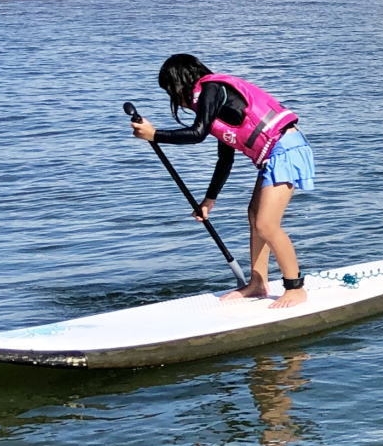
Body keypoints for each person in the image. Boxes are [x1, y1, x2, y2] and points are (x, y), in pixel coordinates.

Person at [132, 53, 315, 308]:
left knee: (266, 224)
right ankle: (257, 283)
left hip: (286, 150)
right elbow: (224, 160)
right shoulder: (216, 102)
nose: (175, 99)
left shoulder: (211, 89)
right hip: (272, 154)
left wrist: (155, 134)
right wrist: (209, 200)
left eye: (171, 91)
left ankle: (295, 288)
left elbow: (197, 134)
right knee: (254, 215)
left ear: (180, 82)